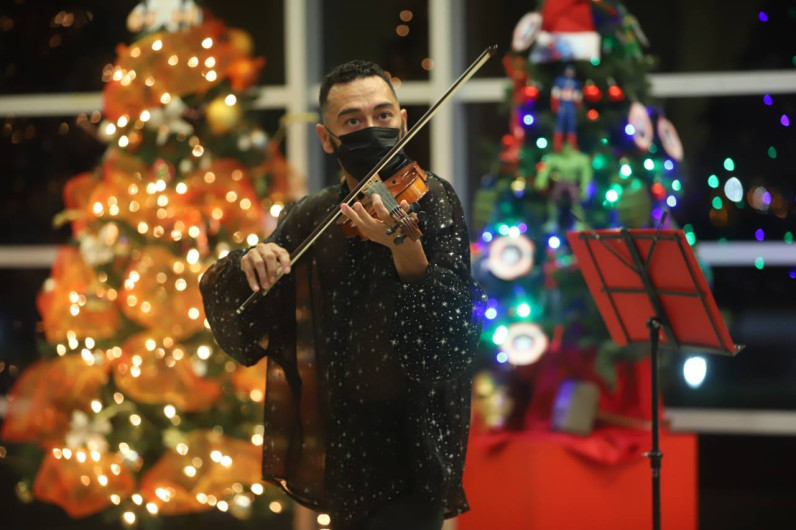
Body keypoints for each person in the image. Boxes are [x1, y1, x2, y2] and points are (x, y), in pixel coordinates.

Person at [199, 60, 485, 530]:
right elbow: (246, 316)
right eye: (352, 121)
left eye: (383, 116)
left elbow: (452, 339)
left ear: (404, 122)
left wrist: (405, 248)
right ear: (326, 137)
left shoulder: (432, 200)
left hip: (412, 440)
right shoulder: (314, 215)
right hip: (342, 440)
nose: (371, 129)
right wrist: (253, 261)